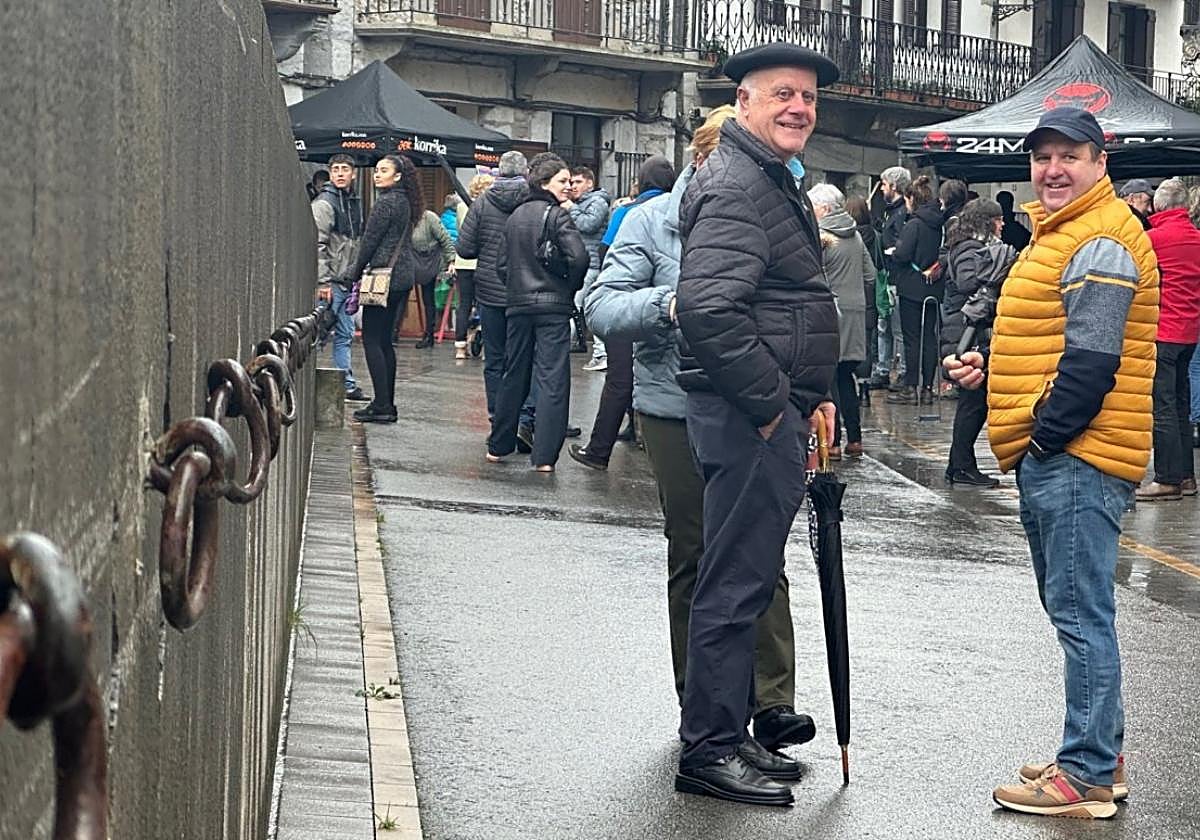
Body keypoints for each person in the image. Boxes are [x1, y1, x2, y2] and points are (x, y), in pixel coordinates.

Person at [588, 101, 815, 772]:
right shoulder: (654, 221)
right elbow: (600, 305)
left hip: (757, 405)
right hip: (674, 407)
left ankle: (770, 702)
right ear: (705, 155)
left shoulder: (778, 206)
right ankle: (706, 705)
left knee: (759, 554)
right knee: (698, 553)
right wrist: (669, 305)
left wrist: (813, 392)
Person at [946, 107, 1158, 819]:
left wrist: (1043, 439)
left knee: (1079, 613)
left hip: (1077, 455)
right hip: (1070, 450)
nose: (1054, 169)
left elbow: (1092, 363)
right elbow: (1054, 341)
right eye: (1043, 157)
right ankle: (1101, 755)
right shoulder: (1064, 232)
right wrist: (992, 371)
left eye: (1070, 155)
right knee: (1079, 608)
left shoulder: (1098, 237)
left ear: (1101, 163)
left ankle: (1086, 773)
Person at [672, 42, 839, 808]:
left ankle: (728, 732)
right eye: (782, 94)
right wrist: (774, 405)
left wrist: (812, 393)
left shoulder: (765, 176)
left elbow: (783, 302)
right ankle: (709, 749)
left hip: (762, 412)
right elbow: (708, 310)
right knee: (735, 583)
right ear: (743, 103)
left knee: (744, 579)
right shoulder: (740, 183)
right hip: (748, 417)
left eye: (807, 96)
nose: (798, 107)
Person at [569, 156, 676, 470]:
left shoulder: (629, 212)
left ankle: (598, 450)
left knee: (618, 377)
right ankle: (636, 428)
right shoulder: (680, 212)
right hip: (668, 309)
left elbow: (607, 250)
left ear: (641, 182)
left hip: (628, 304)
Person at [486, 153, 589, 471]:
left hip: (518, 305)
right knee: (552, 378)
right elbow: (579, 258)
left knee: (513, 373)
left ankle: (499, 445)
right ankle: (544, 456)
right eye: (562, 181)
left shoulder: (515, 217)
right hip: (553, 307)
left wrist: (516, 288)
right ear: (545, 183)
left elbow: (501, 265)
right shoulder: (558, 216)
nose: (568, 186)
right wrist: (568, 287)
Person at [457, 151, 537, 438]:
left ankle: (497, 417)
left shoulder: (482, 203)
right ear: (525, 173)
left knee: (494, 359)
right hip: (525, 290)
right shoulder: (533, 202)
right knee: (523, 358)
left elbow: (465, 248)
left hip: (490, 290)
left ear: (499, 172)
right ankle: (523, 418)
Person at [939, 198, 1015, 487]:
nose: (1003, 224)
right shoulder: (970, 248)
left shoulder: (966, 246)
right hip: (964, 331)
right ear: (987, 222)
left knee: (973, 402)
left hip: (964, 329)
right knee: (973, 402)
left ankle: (959, 464)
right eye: (998, 219)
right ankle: (961, 466)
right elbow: (967, 283)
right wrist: (995, 274)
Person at [346, 154, 422, 423]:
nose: (377, 175)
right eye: (377, 170)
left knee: (372, 339)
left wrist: (353, 272)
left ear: (397, 176)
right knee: (385, 340)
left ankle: (381, 404)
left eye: (384, 170)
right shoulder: (406, 201)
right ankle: (387, 403)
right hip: (402, 276)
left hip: (383, 276)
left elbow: (369, 242)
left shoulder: (386, 202)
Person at [1137, 178, 1200, 500]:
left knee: (1162, 407)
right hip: (1190, 332)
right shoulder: (1197, 238)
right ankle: (1187, 476)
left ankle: (1166, 479)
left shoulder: (1152, 240)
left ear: (1157, 206)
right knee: (1181, 405)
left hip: (1162, 331)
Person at [809, 183, 872, 459]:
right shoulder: (855, 236)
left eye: (813, 206)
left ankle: (832, 442)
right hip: (855, 312)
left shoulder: (822, 236)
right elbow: (870, 275)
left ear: (824, 208)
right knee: (846, 375)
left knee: (830, 375)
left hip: (830, 311)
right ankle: (855, 439)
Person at [312, 154, 366, 402]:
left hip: (347, 281)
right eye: (335, 169)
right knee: (319, 333)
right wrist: (322, 281)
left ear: (353, 174)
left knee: (344, 334)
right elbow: (317, 244)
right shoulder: (325, 203)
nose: (340, 173)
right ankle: (300, 381)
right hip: (332, 282)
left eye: (345, 169)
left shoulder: (353, 201)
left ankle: (347, 385)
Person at [886, 175, 943, 405]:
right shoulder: (939, 224)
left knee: (912, 338)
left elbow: (903, 254)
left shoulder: (914, 224)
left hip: (911, 286)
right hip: (933, 286)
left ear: (912, 199)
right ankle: (928, 388)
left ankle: (910, 387)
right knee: (929, 337)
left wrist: (894, 252)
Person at [565, 167, 612, 369]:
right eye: (571, 182)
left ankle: (600, 353)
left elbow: (588, 224)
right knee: (582, 306)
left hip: (591, 264)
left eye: (578, 182)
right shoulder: (580, 203)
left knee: (578, 305)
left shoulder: (598, 201)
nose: (573, 186)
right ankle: (599, 351)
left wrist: (571, 209)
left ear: (590, 183)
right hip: (582, 262)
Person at [452, 174, 493, 360]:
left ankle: (460, 347)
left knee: (464, 304)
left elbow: (460, 232)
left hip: (463, 262)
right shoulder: (489, 208)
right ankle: (485, 346)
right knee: (485, 304)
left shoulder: (461, 207)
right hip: (483, 261)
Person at [876, 166, 910, 389]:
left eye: (884, 184)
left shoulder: (902, 213)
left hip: (897, 276)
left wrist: (894, 251)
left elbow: (903, 243)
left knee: (897, 328)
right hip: (888, 275)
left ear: (894, 186)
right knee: (884, 325)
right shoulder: (891, 211)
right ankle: (883, 368)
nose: (881, 188)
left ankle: (902, 371)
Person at [408, 208, 456, 349]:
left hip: (430, 261)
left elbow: (445, 238)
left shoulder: (429, 217)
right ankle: (393, 332)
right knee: (401, 294)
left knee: (428, 298)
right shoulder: (404, 217)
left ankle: (429, 334)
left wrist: (451, 260)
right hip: (411, 261)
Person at [846, 195, 881, 390]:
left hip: (849, 293)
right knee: (866, 343)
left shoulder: (848, 238)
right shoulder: (875, 235)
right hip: (869, 296)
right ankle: (865, 387)